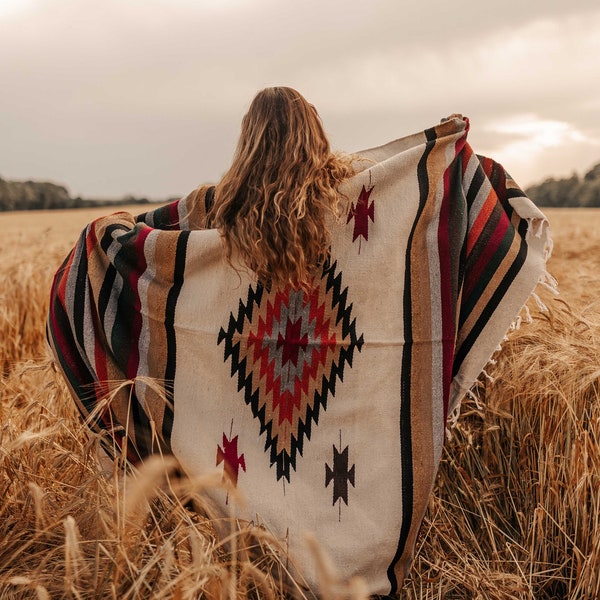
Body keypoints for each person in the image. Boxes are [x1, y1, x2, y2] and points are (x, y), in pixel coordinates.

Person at [48, 87, 551, 596]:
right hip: (346, 458)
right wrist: (456, 160)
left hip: (235, 446)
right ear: (316, 136)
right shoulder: (358, 199)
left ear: (248, 141)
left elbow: (130, 239)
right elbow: (446, 194)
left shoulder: (211, 210)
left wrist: (101, 239)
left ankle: (254, 556)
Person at [207, 86, 355, 290]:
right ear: (312, 130)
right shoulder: (349, 192)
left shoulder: (224, 207)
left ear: (251, 136)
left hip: (256, 320)